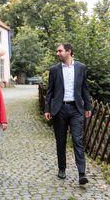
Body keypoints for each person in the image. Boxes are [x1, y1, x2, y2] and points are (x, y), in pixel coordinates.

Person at [44, 43, 92, 185]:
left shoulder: (81, 67)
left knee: (77, 140)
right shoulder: (54, 69)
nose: (57, 53)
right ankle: (62, 168)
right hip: (59, 110)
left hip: (76, 109)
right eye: (57, 51)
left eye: (60, 51)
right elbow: (50, 91)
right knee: (61, 141)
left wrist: (87, 106)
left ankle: (81, 173)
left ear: (69, 51)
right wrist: (47, 109)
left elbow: (85, 88)